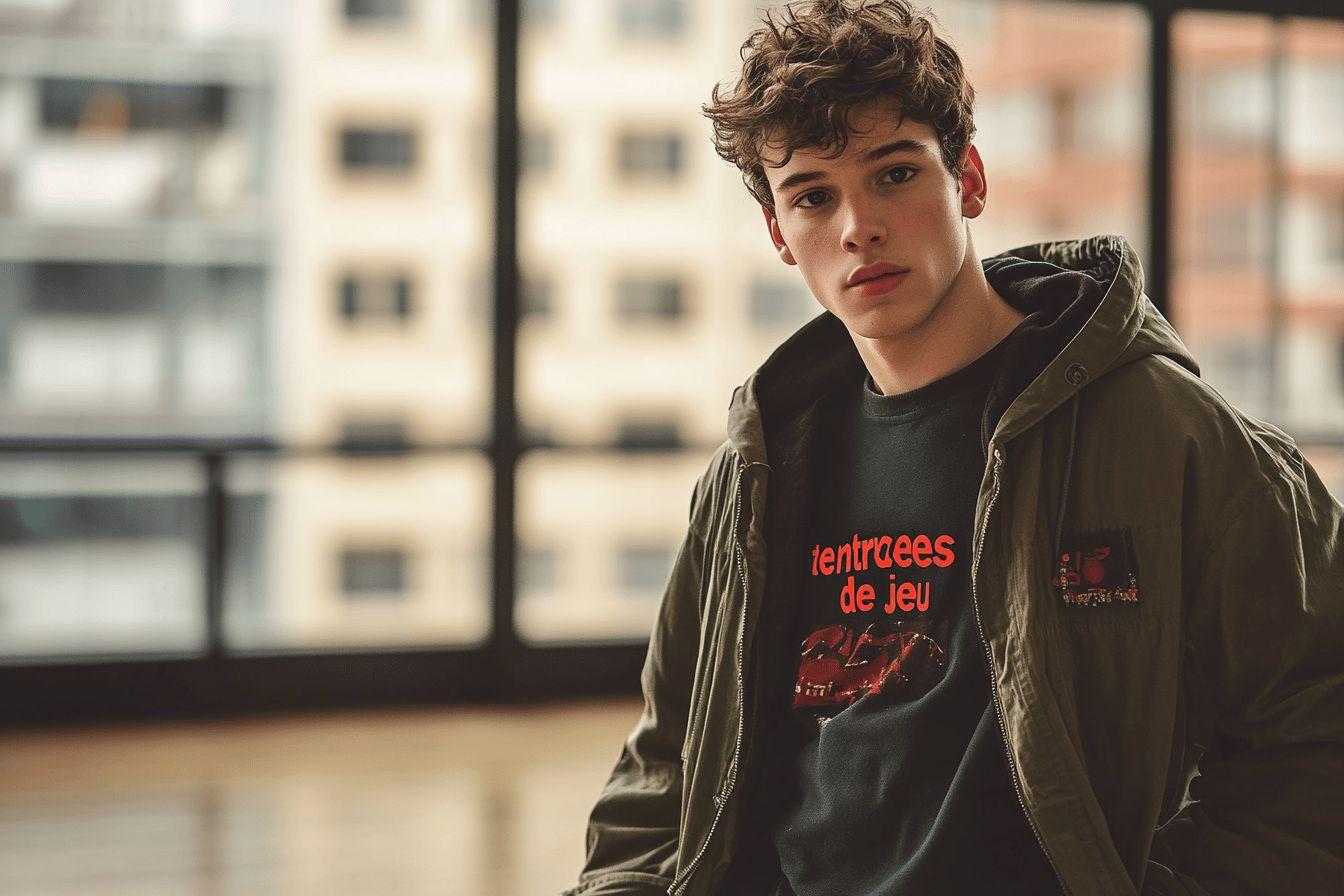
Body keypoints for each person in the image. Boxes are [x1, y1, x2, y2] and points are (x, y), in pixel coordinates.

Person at [561, 1, 1344, 894]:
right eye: (814, 195)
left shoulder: (1162, 431)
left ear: (967, 179)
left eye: (894, 174)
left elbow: (1319, 722)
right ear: (780, 235)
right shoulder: (756, 473)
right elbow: (667, 768)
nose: (858, 226)